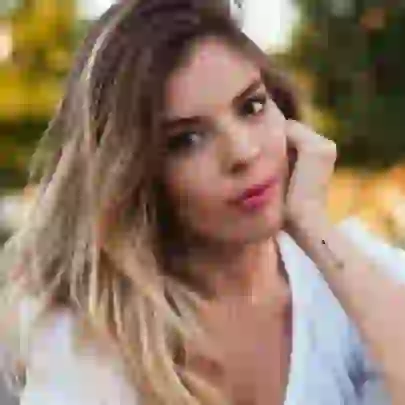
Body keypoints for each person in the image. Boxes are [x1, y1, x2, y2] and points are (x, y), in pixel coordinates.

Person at [1, 1, 405, 404]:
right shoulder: (88, 336)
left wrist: (314, 226)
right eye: (187, 140)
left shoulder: (350, 270)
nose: (243, 152)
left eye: (251, 106)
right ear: (134, 173)